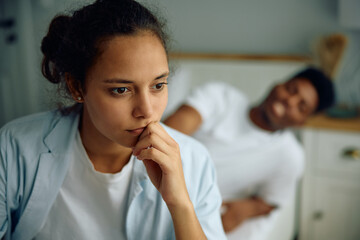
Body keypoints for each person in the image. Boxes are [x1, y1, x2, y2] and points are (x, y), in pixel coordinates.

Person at [0, 0, 227, 239]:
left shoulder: (195, 161)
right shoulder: (14, 148)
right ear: (77, 86)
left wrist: (180, 202)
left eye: (158, 85)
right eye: (121, 90)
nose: (147, 111)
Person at [164, 67, 335, 240]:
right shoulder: (220, 97)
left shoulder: (290, 156)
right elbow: (168, 135)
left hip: (192, 215)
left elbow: (271, 202)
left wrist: (247, 209)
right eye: (291, 89)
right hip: (159, 182)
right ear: (277, 84)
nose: (290, 101)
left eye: (301, 106)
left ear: (301, 122)